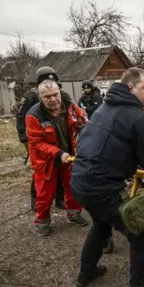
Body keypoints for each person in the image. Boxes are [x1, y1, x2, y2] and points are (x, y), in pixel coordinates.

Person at [70, 67, 144, 287]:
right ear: (130, 87)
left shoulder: (103, 107)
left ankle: (86, 273)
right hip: (102, 187)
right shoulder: (138, 116)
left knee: (101, 223)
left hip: (79, 180)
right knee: (142, 233)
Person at [25, 80, 88, 236]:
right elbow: (36, 143)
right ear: (41, 97)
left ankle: (74, 214)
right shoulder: (33, 115)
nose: (53, 99)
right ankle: (42, 221)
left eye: (55, 95)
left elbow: (84, 124)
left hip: (69, 157)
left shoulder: (71, 107)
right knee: (45, 194)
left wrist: (86, 140)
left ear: (60, 93)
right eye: (47, 97)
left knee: (73, 187)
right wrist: (59, 153)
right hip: (46, 161)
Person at [16, 66, 71, 211]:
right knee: (42, 170)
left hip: (58, 136)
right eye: (46, 78)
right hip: (35, 137)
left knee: (60, 166)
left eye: (51, 78)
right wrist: (25, 139)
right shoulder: (31, 97)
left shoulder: (62, 95)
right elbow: (21, 118)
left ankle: (60, 198)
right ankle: (36, 200)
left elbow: (70, 113)